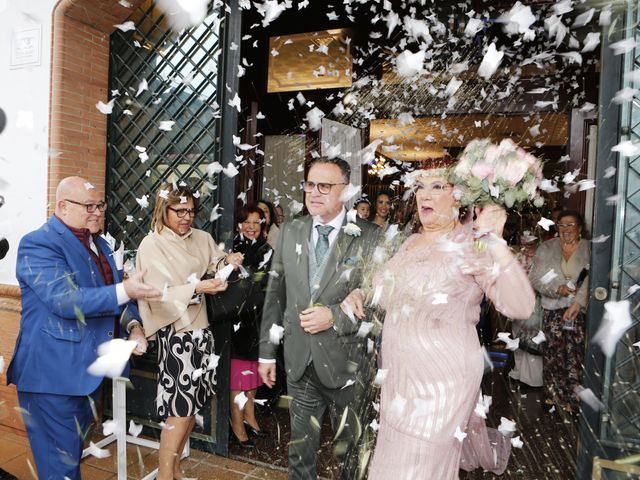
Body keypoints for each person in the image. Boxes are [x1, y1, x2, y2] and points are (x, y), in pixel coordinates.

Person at [342, 165, 536, 479]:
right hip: (400, 376)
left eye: (437, 186)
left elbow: (520, 306)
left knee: (423, 463)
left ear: (459, 197)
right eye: (420, 186)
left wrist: (495, 244)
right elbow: (383, 286)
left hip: (444, 377)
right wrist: (359, 292)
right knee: (393, 459)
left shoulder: (472, 243)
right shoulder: (410, 242)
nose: (424, 194)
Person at [7, 176, 159, 480]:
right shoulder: (38, 243)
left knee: (69, 461)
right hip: (52, 379)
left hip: (86, 377)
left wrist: (133, 325)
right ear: (63, 206)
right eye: (89, 206)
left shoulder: (100, 243)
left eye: (100, 205)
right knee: (60, 470)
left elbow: (117, 295)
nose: (98, 212)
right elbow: (65, 300)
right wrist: (126, 290)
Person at [259, 157, 382, 480]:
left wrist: (336, 319)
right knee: (299, 455)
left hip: (348, 366)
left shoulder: (369, 236)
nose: (314, 193)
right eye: (310, 185)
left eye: (324, 186)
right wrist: (266, 353)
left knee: (351, 457)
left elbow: (382, 304)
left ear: (346, 190)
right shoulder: (291, 230)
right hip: (300, 364)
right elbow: (276, 296)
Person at [135, 183, 244, 480]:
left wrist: (228, 261)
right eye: (179, 211)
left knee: (193, 405)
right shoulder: (151, 244)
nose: (186, 217)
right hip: (176, 333)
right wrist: (198, 287)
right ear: (163, 209)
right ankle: (164, 475)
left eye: (191, 211)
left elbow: (215, 260)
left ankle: (176, 468)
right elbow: (156, 293)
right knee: (179, 410)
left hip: (201, 329)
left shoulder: (202, 237)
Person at [528, 210, 590, 412]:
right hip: (553, 308)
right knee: (553, 353)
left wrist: (578, 301)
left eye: (570, 225)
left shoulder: (590, 249)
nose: (566, 229)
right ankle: (553, 395)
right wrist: (557, 289)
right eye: (562, 225)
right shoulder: (546, 248)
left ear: (579, 227)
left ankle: (573, 399)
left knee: (575, 354)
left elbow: (595, 278)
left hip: (579, 310)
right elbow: (535, 277)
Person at [228, 205, 273, 448]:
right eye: (247, 222)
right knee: (239, 377)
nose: (252, 227)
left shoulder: (268, 250)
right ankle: (236, 424)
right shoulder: (230, 250)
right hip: (237, 321)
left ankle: (250, 417)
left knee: (254, 373)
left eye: (257, 222)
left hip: (260, 318)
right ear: (239, 224)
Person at [508, 231, 544, 388]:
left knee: (532, 339)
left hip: (535, 301)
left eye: (531, 244)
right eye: (524, 244)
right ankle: (518, 372)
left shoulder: (543, 257)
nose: (527, 247)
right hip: (517, 300)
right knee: (517, 337)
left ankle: (532, 379)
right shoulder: (516, 257)